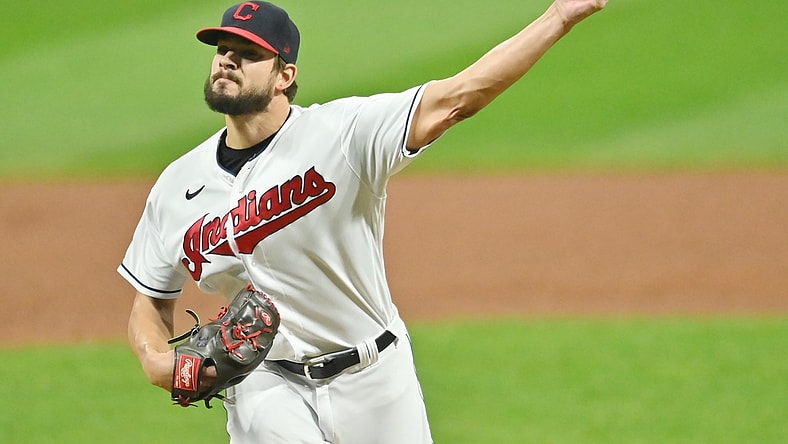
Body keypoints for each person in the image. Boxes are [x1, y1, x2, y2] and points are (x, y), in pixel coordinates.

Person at [119, 0, 608, 442]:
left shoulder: (342, 135)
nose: (227, 59)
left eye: (247, 53)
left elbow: (458, 97)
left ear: (284, 75)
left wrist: (558, 17)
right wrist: (158, 362)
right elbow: (151, 300)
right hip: (264, 386)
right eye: (222, 48)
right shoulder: (176, 184)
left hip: (374, 377)